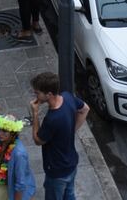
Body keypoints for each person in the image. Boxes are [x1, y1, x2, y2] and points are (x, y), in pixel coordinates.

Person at [29, 72, 89, 200]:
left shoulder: (52, 119)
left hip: (57, 170)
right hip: (71, 162)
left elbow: (38, 140)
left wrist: (35, 114)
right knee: (69, 194)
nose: (36, 95)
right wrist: (71, 130)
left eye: (37, 93)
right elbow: (85, 109)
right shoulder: (67, 97)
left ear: (49, 94)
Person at [0, 101, 36, 200]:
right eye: (0, 129)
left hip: (15, 192)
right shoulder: (1, 139)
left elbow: (20, 183)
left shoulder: (19, 154)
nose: (0, 133)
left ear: (13, 133)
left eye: (4, 131)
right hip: (4, 181)